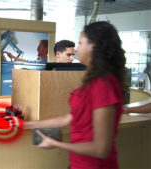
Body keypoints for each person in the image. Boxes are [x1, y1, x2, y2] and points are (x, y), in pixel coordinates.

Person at [24, 21, 127, 169]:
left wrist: (55, 143)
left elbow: (101, 149)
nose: (77, 49)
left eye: (80, 43)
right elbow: (69, 118)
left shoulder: (103, 85)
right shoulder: (95, 81)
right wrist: (27, 124)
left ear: (94, 46)